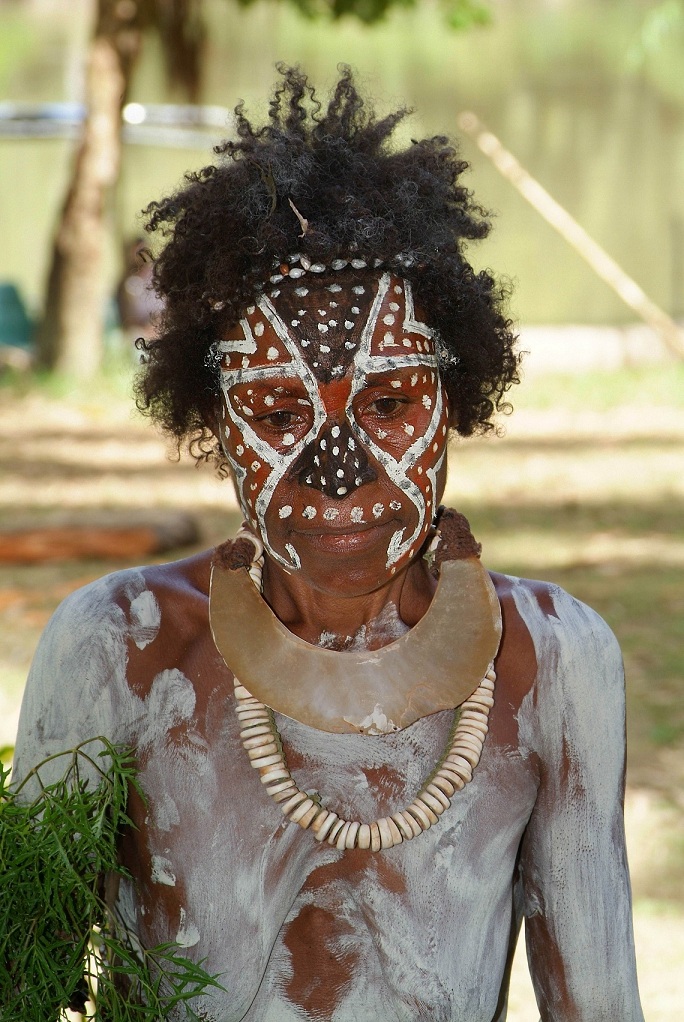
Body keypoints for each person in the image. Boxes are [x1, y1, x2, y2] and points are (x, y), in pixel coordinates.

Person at [12, 66, 644, 1021]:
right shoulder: (121, 648)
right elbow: (27, 986)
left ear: (452, 406)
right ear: (218, 423)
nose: (337, 468)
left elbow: (594, 1003)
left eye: (389, 404)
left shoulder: (551, 660)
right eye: (275, 409)